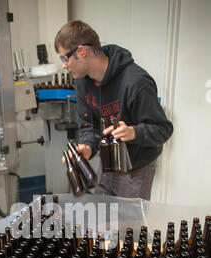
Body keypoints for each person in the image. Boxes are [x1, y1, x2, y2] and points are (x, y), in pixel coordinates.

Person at [54, 20, 173, 200]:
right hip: (108, 162)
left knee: (129, 226)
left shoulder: (136, 82)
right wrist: (87, 146)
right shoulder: (81, 83)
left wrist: (133, 132)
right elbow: (89, 127)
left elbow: (163, 130)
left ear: (82, 52)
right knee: (103, 217)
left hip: (136, 168)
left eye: (64, 58)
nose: (63, 65)